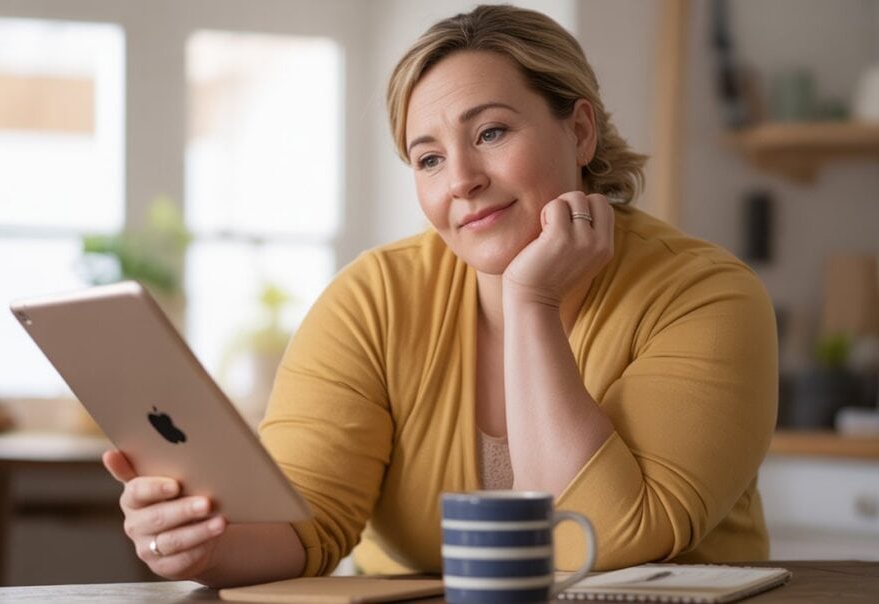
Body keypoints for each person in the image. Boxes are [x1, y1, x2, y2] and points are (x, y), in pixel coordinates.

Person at [103, 4, 778, 588]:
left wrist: (531, 303)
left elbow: (598, 546)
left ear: (579, 131)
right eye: (428, 158)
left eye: (491, 133)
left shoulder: (704, 296)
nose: (460, 180)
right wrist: (204, 543)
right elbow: (305, 524)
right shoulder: (374, 299)